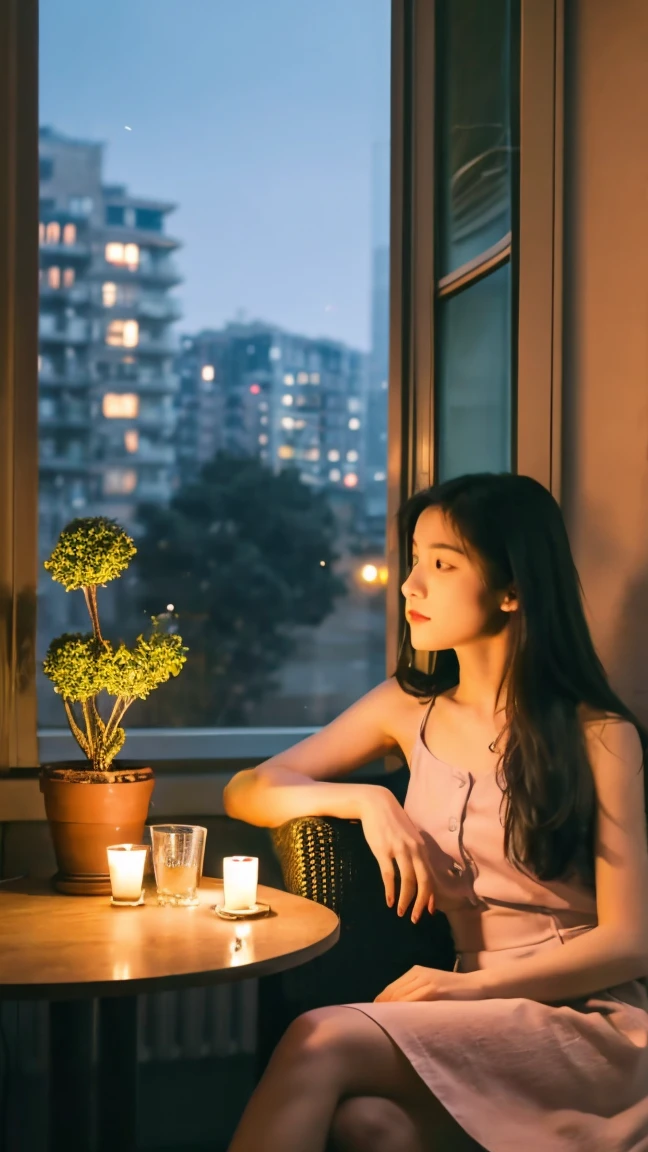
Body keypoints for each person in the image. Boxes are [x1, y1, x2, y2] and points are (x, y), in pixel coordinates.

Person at [223, 472, 648, 1152]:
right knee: (370, 1126)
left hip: (588, 1021)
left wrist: (467, 994)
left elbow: (629, 942)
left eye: (442, 564)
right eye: (415, 558)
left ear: (513, 590)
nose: (410, 584)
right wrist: (366, 800)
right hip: (470, 1005)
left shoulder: (599, 734)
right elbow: (249, 788)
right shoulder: (407, 706)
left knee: (318, 1036)